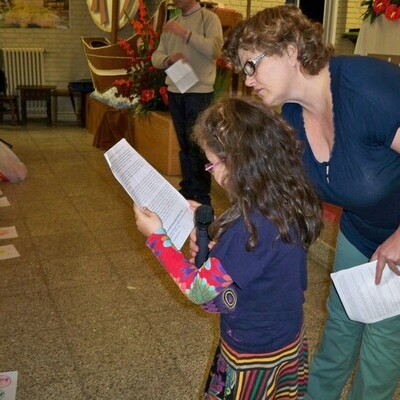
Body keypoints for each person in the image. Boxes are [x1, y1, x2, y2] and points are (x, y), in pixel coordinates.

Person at [221, 5, 400, 400]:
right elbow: (281, 196)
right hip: (362, 229)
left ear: (289, 50)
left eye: (251, 65)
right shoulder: (291, 115)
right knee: (342, 323)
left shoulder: (365, 87)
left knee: (383, 341)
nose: (247, 80)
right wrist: (216, 226)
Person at [133, 96, 323, 399]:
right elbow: (259, 263)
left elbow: (200, 291)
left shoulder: (250, 227)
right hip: (285, 336)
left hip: (253, 354)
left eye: (212, 162)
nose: (209, 170)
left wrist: (158, 237)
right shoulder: (285, 194)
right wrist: (216, 241)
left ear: (239, 162)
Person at [151, 0, 223, 206]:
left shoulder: (210, 19)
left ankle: (201, 195)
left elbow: (214, 51)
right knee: (184, 144)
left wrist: (184, 33)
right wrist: (169, 59)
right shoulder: (171, 23)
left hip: (199, 92)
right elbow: (156, 57)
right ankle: (188, 189)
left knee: (198, 146)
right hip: (176, 90)